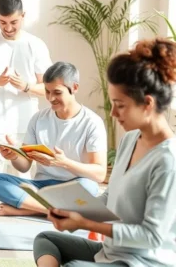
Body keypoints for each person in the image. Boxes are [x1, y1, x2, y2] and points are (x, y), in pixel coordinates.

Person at [34, 39, 176, 267]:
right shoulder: (131, 139)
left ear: (147, 104)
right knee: (46, 239)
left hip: (140, 262)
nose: (112, 114)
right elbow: (110, 197)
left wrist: (84, 224)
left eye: (120, 105)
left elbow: (152, 236)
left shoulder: (168, 160)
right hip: (111, 252)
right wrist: (69, 209)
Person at [0, 62, 107, 216]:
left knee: (89, 186)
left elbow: (100, 174)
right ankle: (52, 210)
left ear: (74, 88)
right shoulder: (38, 119)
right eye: (47, 91)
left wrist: (65, 163)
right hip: (40, 188)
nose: (51, 98)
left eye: (57, 92)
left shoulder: (92, 122)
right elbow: (24, 166)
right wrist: (14, 155)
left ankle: (28, 210)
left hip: (74, 186)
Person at [0, 0, 52, 173]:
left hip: (26, 124)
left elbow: (49, 89)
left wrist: (26, 86)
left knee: (24, 182)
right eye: (2, 22)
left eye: (13, 22)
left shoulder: (35, 45)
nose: (8, 28)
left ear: (23, 16)